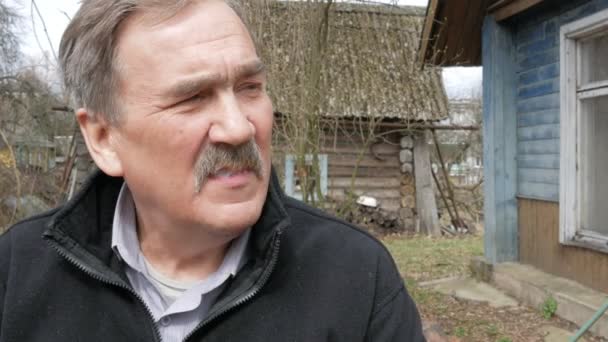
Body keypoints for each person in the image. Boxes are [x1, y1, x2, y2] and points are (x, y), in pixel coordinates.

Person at [0, 0, 425, 341]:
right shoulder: (16, 273)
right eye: (192, 97)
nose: (239, 128)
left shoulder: (356, 277)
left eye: (250, 88)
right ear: (103, 138)